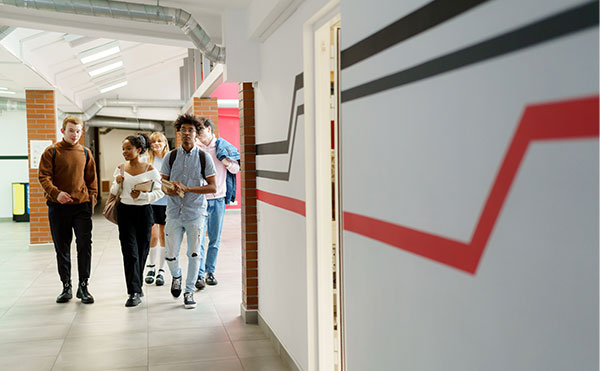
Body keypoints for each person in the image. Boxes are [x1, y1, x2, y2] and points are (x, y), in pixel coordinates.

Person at [38, 115, 97, 304]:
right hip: (58, 207)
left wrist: (91, 201)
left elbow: (91, 181)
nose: (75, 134)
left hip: (81, 208)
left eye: (78, 131)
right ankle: (66, 286)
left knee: (84, 247)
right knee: (62, 247)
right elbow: (44, 177)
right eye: (71, 130)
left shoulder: (86, 153)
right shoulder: (51, 151)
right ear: (63, 131)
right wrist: (57, 194)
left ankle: (84, 286)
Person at [161, 114, 216, 309]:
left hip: (195, 213)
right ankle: (176, 275)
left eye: (190, 130)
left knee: (194, 254)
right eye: (183, 130)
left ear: (196, 133)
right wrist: (171, 189)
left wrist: (188, 188)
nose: (186, 133)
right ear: (179, 132)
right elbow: (163, 185)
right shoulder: (171, 156)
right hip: (174, 212)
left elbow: (213, 187)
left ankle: (189, 290)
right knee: (170, 254)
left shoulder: (204, 157)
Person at [110, 134, 164, 307]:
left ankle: (137, 284)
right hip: (125, 212)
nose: (125, 152)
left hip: (144, 212)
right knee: (130, 252)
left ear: (138, 150)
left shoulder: (150, 169)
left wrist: (143, 195)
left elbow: (160, 192)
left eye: (128, 148)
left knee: (142, 251)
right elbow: (113, 190)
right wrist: (118, 182)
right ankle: (133, 292)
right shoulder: (120, 168)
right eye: (123, 149)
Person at [194, 118, 240, 290]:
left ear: (208, 129)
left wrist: (225, 160)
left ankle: (209, 272)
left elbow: (236, 169)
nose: (197, 134)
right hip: (200, 200)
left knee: (214, 239)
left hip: (219, 199)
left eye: (199, 131)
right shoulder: (195, 149)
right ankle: (198, 274)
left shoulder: (222, 146)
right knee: (198, 239)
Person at [144, 132, 170, 286]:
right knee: (152, 236)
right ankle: (151, 267)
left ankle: (162, 269)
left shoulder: (170, 159)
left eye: (159, 141)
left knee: (164, 236)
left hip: (167, 203)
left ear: (165, 143)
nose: (156, 144)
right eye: (153, 142)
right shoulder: (146, 160)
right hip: (151, 203)